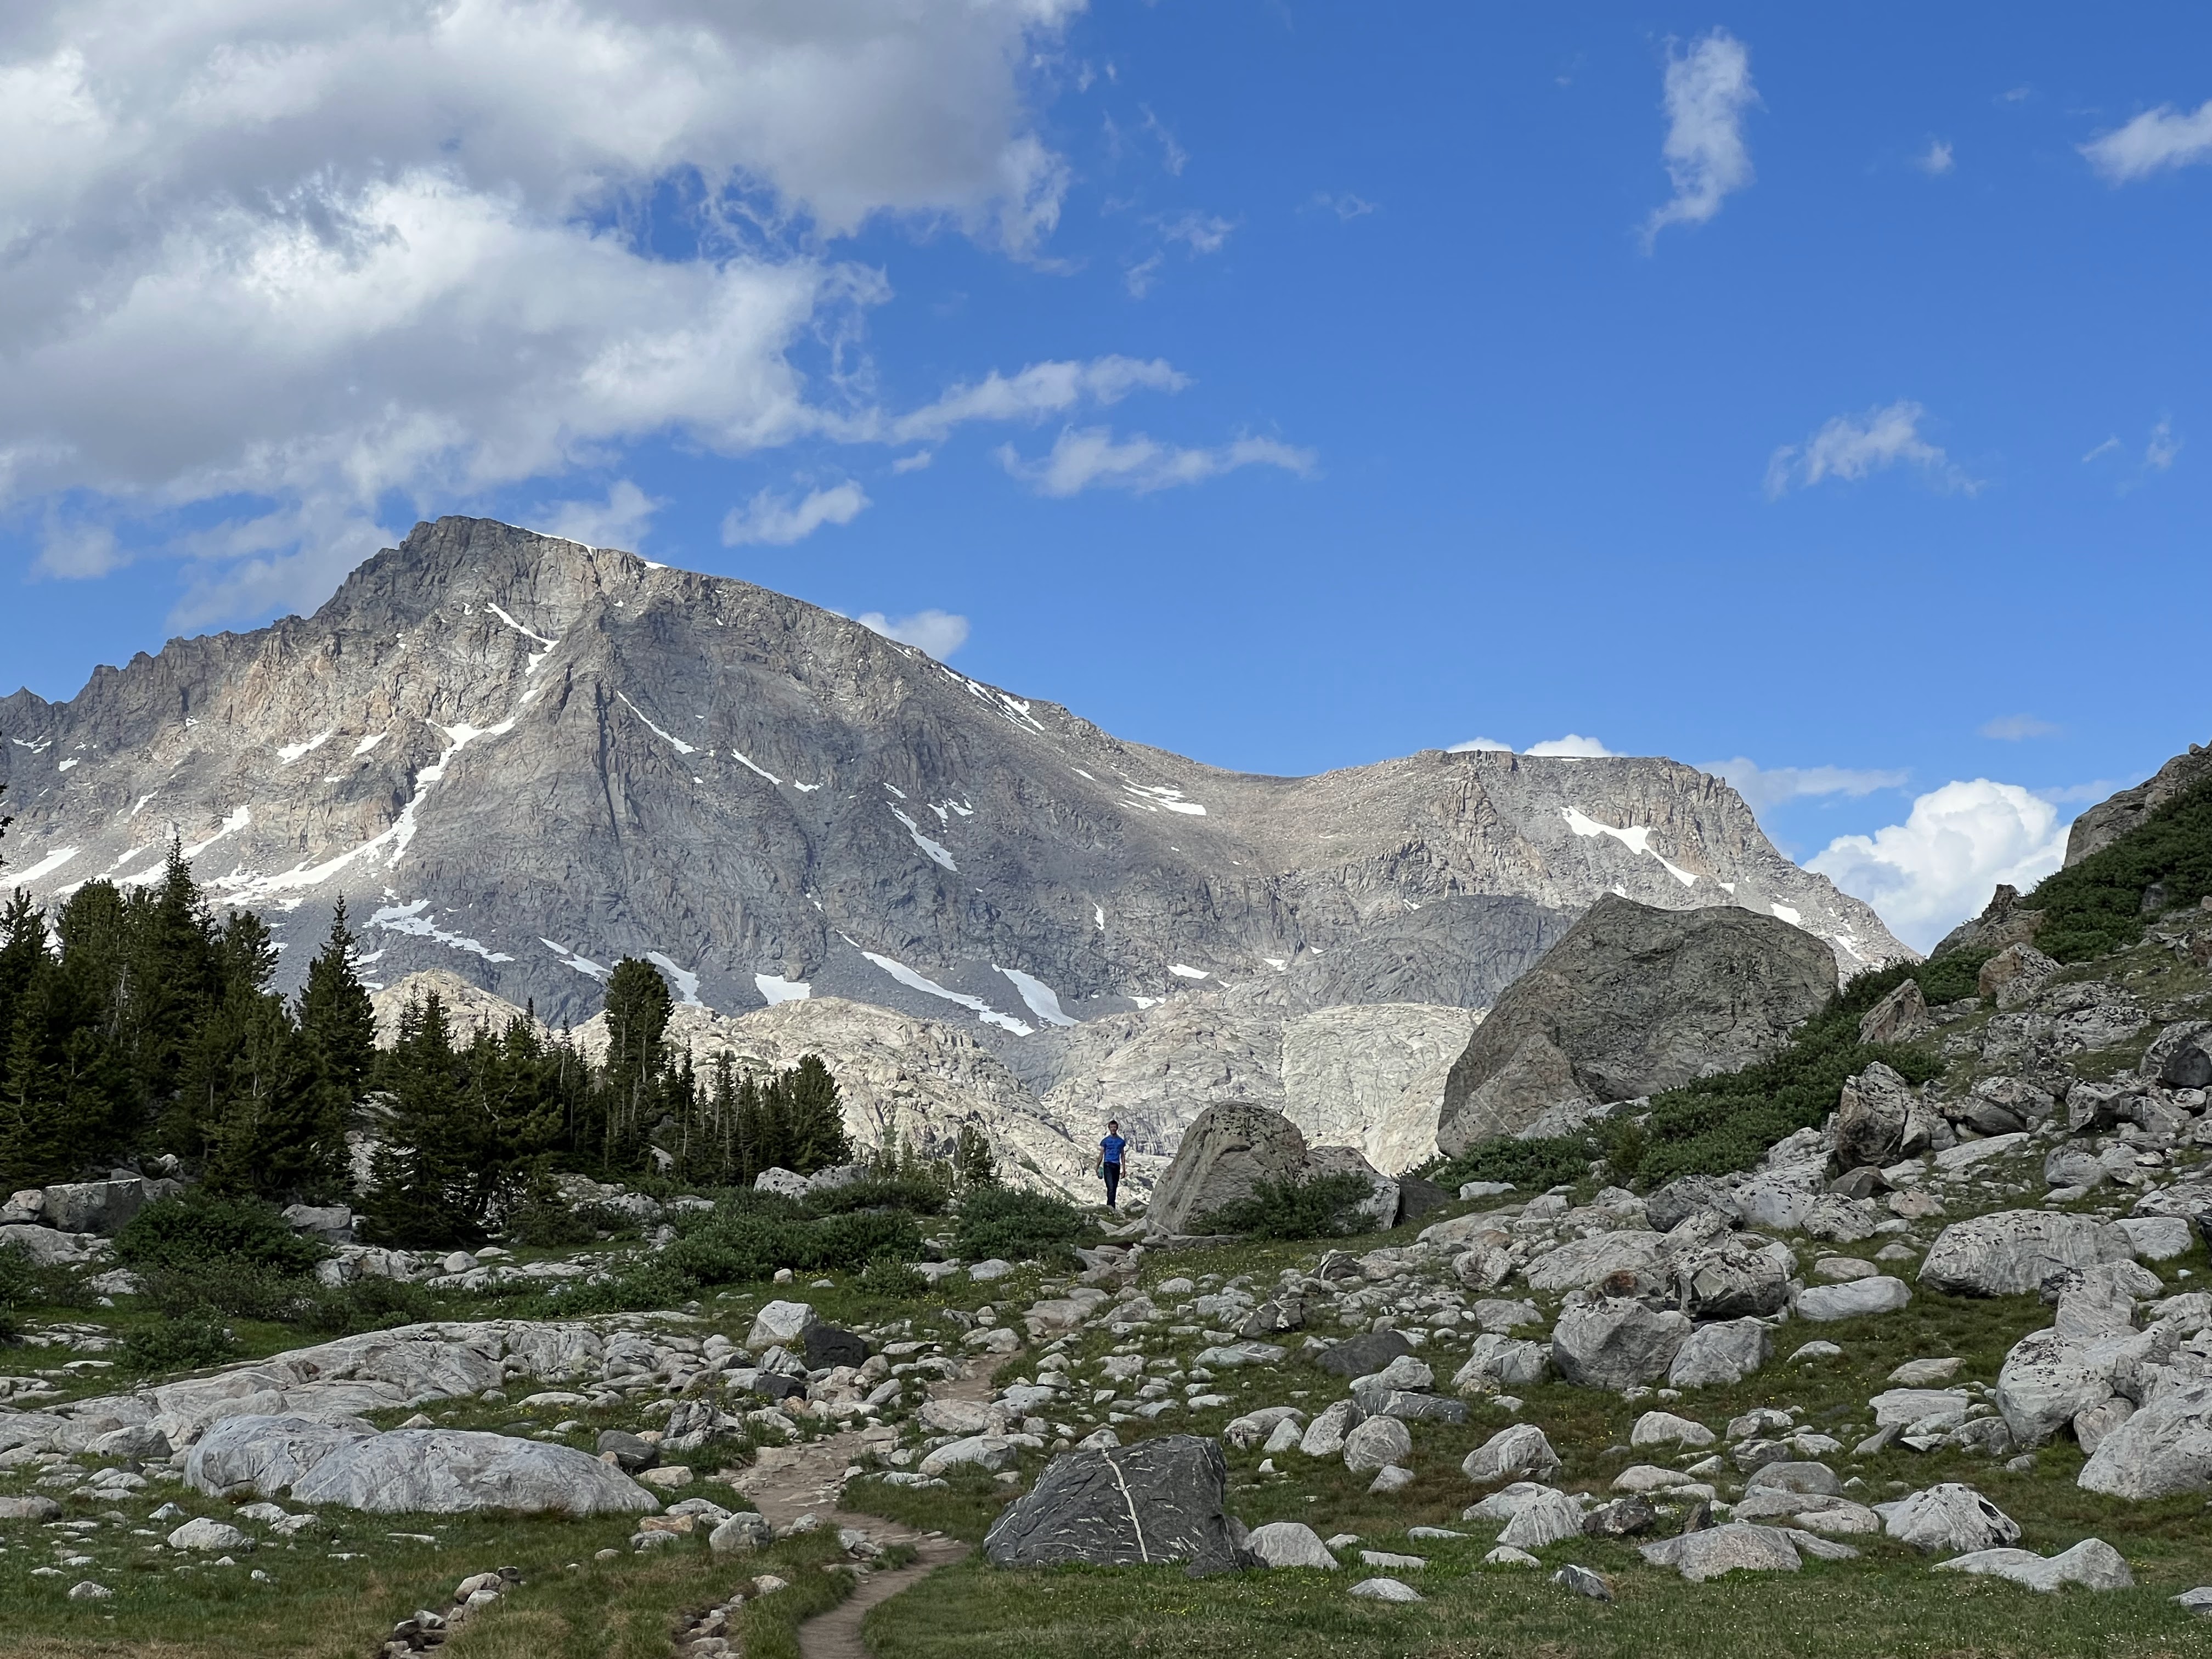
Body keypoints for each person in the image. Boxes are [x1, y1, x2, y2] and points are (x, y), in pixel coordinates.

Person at [1099, 1119, 1127, 1210]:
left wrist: (1124, 1169)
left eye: (1115, 1127)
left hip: (1116, 1166)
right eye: (1112, 1127)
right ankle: (1110, 1208)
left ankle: (1111, 1207)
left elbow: (1122, 1155)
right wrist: (1097, 1166)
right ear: (1109, 1128)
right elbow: (1101, 1154)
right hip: (1108, 1165)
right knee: (1110, 1186)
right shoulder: (1105, 1141)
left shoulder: (1121, 1142)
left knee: (1114, 1187)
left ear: (1117, 1128)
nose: (1113, 1129)